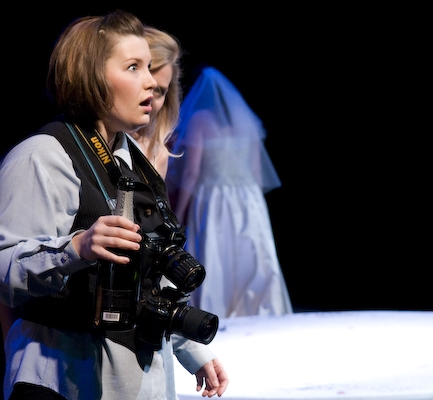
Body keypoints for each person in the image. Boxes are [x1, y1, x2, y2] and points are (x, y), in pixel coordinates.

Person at [0, 11, 228, 400]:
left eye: (149, 68)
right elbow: (5, 268)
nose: (151, 81)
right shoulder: (42, 156)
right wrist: (75, 248)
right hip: (65, 376)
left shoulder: (133, 158)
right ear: (91, 76)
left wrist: (191, 349)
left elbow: (151, 273)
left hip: (137, 375)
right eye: (133, 67)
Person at [166, 66, 293, 318]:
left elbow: (191, 173)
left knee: (217, 253)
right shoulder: (246, 120)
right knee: (252, 253)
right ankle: (259, 309)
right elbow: (256, 172)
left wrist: (177, 214)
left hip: (214, 199)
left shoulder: (199, 120)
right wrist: (255, 206)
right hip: (248, 198)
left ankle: (217, 309)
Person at [128, 26, 181, 179]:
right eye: (143, 83)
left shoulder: (158, 156)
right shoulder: (81, 139)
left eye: (158, 91)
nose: (149, 97)